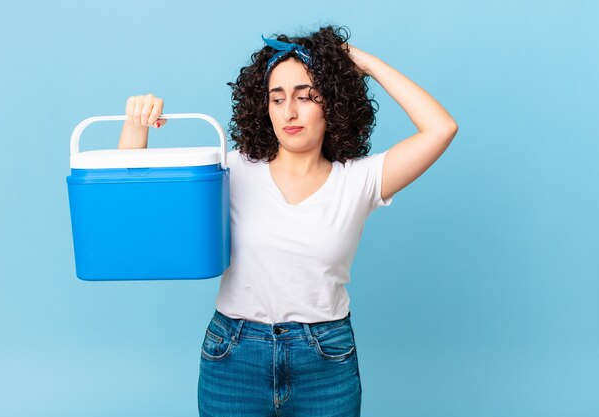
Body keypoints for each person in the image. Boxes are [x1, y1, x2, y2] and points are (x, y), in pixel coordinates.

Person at [118, 25, 457, 417]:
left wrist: (366, 64)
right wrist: (136, 124)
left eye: (306, 96)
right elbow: (132, 202)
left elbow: (441, 128)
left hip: (325, 359)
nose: (289, 112)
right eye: (277, 99)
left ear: (332, 102)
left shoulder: (359, 179)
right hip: (233, 355)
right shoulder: (232, 170)